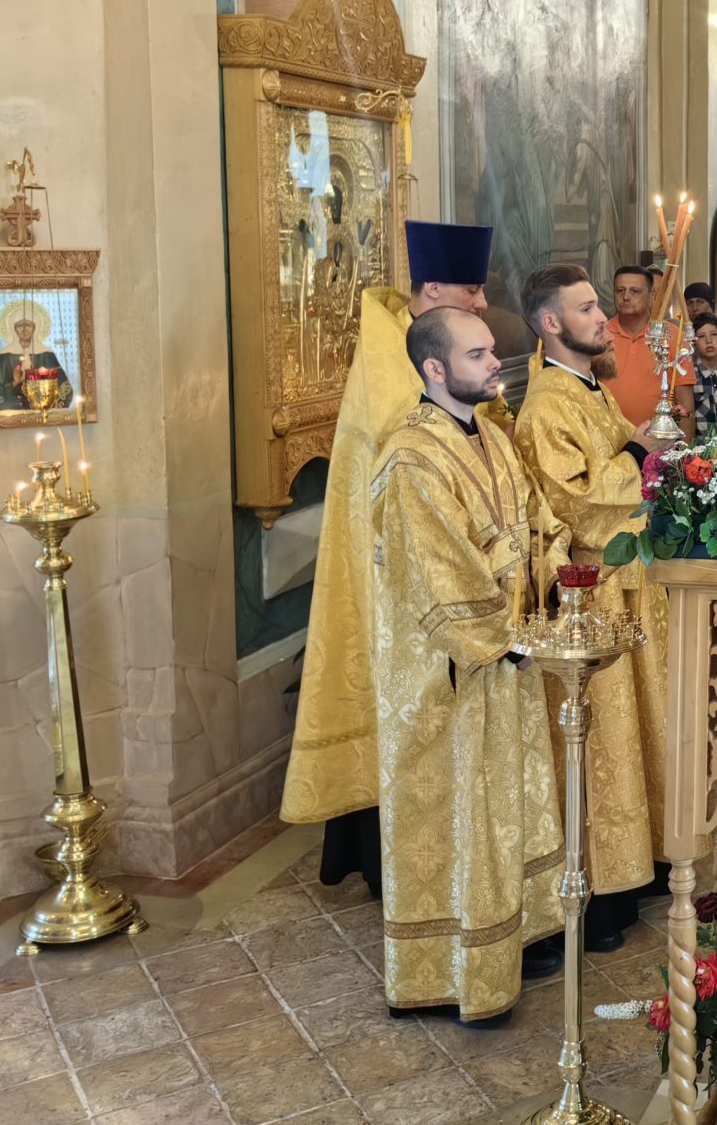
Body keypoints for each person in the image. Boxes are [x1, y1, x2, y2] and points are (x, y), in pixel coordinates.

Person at [281, 219, 492, 895]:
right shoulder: (389, 348)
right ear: (432, 289)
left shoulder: (414, 335)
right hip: (396, 560)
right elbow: (420, 440)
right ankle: (396, 866)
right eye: (471, 290)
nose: (482, 302)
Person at [373, 306, 568, 1026]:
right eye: (478, 354)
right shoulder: (409, 458)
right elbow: (435, 570)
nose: (495, 364)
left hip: (512, 650)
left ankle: (518, 933)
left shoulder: (491, 433)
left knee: (506, 806)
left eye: (491, 351)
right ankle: (457, 968)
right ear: (434, 368)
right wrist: (502, 633)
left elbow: (536, 519)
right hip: (454, 671)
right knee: (463, 812)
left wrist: (552, 574)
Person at [512, 266, 672, 950]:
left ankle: (644, 863)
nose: (603, 316)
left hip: (629, 582)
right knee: (604, 741)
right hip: (593, 593)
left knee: (638, 730)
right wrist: (640, 451)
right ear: (550, 324)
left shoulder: (586, 386)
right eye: (585, 308)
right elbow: (574, 502)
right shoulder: (545, 404)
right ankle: (604, 888)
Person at [604, 265, 696, 436]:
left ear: (651, 296)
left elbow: (685, 401)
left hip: (659, 440)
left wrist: (685, 450)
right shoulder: (600, 335)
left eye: (635, 291)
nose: (626, 296)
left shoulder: (672, 336)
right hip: (608, 439)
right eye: (620, 290)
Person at [0, 309, 69, 411]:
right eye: (20, 325)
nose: (24, 329)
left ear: (35, 327)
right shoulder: (6, 356)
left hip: (42, 411)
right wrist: (14, 383)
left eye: (28, 325)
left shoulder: (46, 354)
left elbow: (65, 390)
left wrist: (44, 394)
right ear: (14, 329)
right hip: (15, 412)